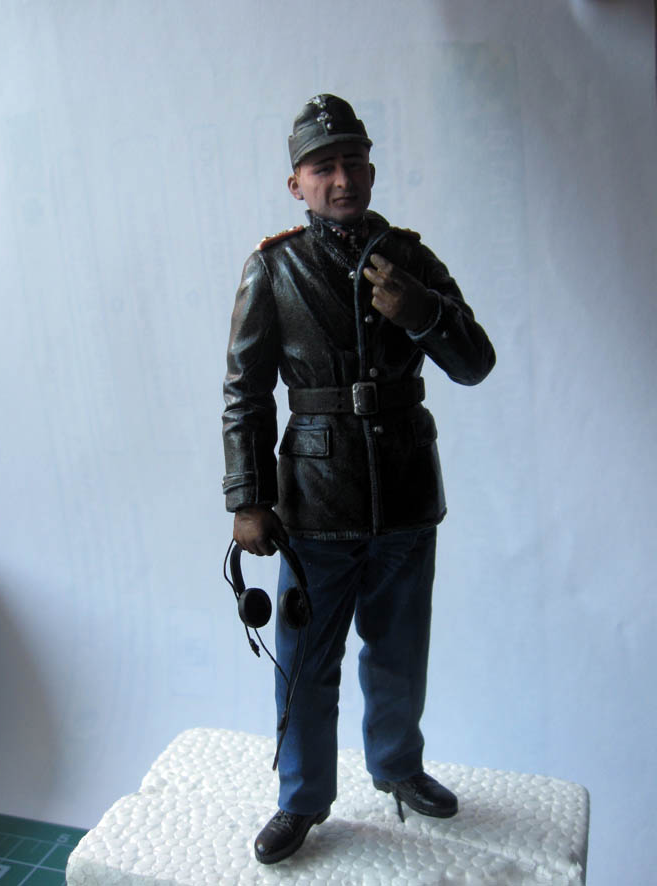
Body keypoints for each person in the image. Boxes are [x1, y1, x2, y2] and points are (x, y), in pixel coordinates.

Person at [222, 94, 495, 865]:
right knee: (307, 662)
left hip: (405, 490)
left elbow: (475, 363)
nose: (341, 179)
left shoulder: (411, 258)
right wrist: (248, 498)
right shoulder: (274, 268)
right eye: (323, 167)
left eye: (353, 162)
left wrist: (423, 312)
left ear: (371, 170)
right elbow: (245, 392)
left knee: (400, 652)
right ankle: (302, 797)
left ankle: (398, 766)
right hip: (315, 503)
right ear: (297, 185)